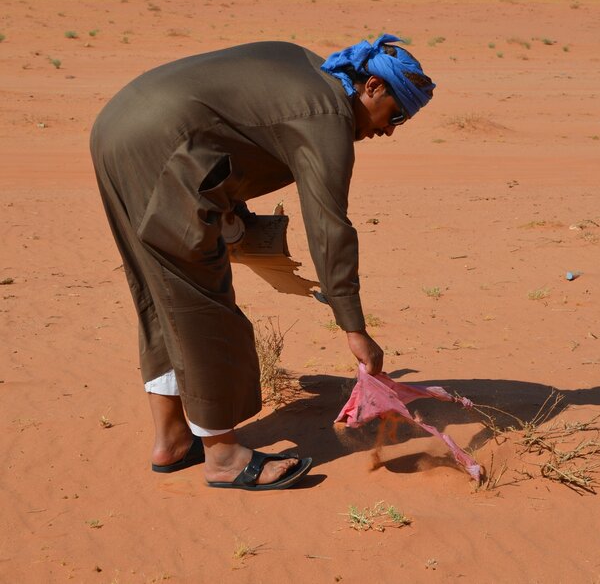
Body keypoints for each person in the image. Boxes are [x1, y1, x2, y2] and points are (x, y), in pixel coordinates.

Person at [90, 33, 435, 490]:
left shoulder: (307, 71)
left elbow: (229, 128)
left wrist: (235, 216)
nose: (389, 130)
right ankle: (224, 457)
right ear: (372, 86)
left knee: (160, 295)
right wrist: (354, 326)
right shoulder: (327, 114)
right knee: (201, 304)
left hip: (120, 126)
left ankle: (173, 440)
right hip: (161, 147)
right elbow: (329, 226)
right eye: (396, 115)